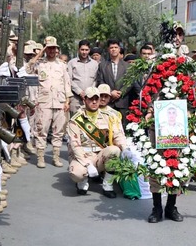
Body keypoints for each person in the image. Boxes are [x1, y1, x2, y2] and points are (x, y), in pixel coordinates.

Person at [67, 87, 127, 198]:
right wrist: (87, 164)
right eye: (90, 99)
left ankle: (107, 185)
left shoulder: (108, 117)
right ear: (84, 100)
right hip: (82, 156)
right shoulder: (76, 119)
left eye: (96, 99)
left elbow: (117, 134)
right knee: (76, 173)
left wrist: (126, 148)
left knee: (115, 150)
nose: (94, 102)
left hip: (99, 155)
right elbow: (75, 145)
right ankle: (82, 181)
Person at [26, 36, 72, 168]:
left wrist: (67, 101)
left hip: (60, 101)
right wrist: (40, 52)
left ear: (57, 50)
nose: (52, 51)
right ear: (46, 49)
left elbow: (67, 83)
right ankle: (41, 157)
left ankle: (55, 157)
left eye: (54, 48)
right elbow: (28, 69)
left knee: (58, 131)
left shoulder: (62, 65)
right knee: (41, 130)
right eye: (49, 48)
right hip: (44, 102)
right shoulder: (40, 64)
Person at [96, 39, 141, 127]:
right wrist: (110, 92)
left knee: (122, 127)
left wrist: (121, 92)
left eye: (116, 47)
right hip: (108, 101)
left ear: (119, 49)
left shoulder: (127, 66)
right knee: (107, 126)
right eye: (111, 47)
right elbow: (100, 81)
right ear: (108, 50)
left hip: (122, 101)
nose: (113, 49)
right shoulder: (103, 65)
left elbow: (130, 82)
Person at [68, 40, 99, 115]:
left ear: (89, 50)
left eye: (86, 50)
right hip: (76, 98)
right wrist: (79, 92)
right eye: (82, 49)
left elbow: (96, 79)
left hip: (91, 98)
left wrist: (90, 92)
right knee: (75, 120)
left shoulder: (94, 64)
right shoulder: (72, 63)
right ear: (78, 49)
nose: (84, 52)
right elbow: (69, 79)